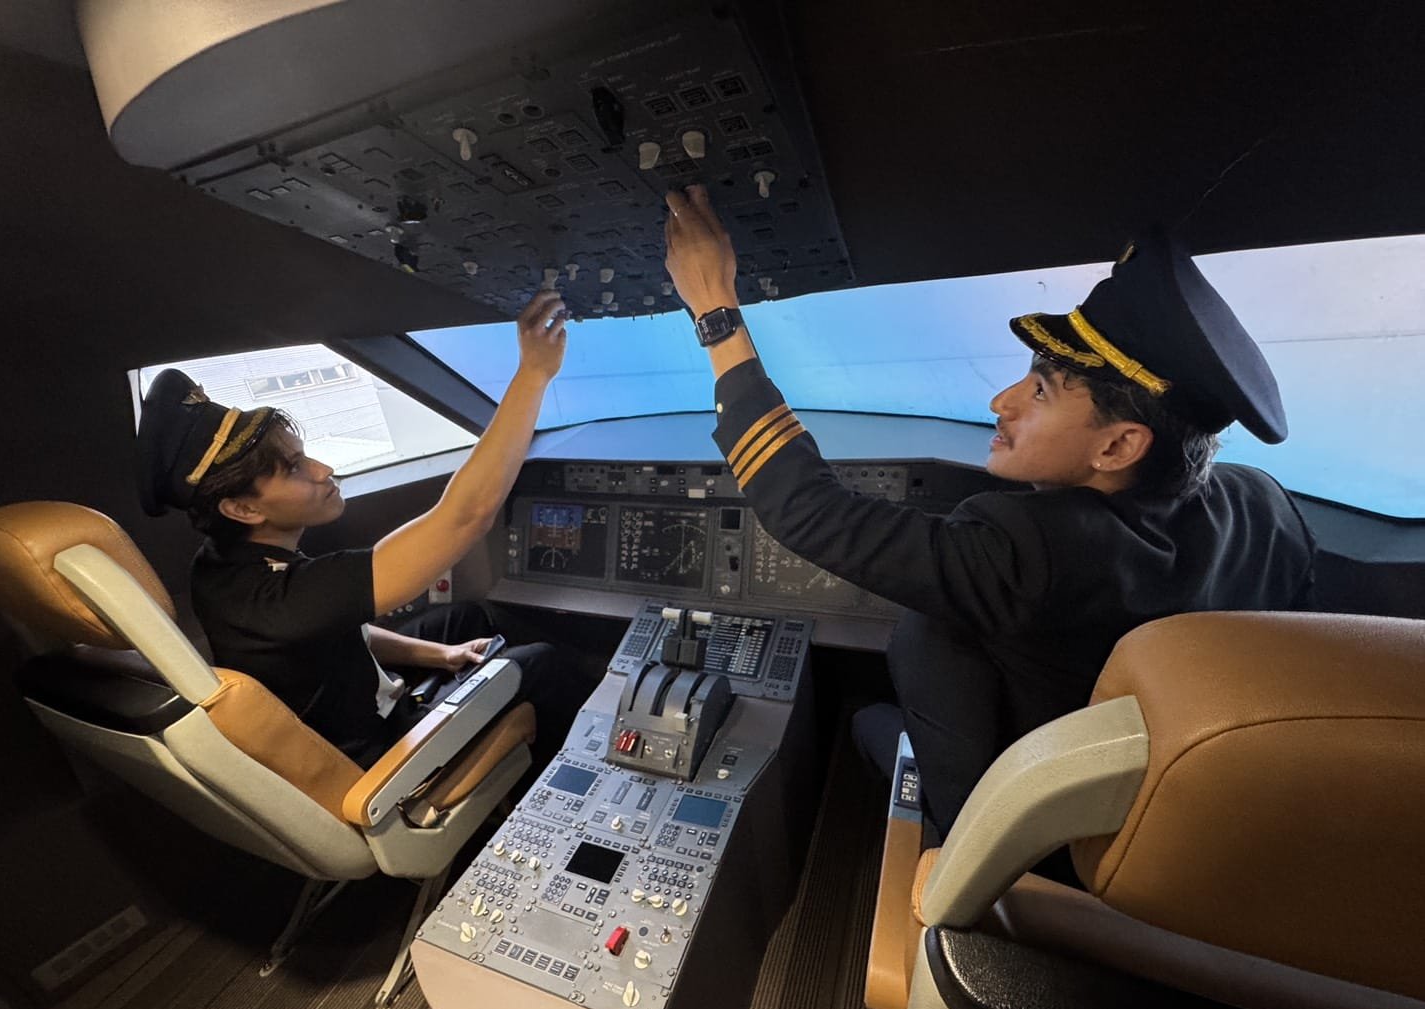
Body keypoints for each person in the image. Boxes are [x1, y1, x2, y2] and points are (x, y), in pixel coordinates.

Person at [662, 185, 1315, 840]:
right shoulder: (1262, 502)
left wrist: (715, 310)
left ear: (1118, 447)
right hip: (1172, 816)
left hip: (1028, 836)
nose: (1001, 401)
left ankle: (940, 828)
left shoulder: (1032, 551)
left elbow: (809, 511)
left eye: (1041, 391)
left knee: (865, 717)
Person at [136, 289, 582, 772]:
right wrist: (534, 374)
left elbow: (338, 629)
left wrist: (443, 656)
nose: (323, 469)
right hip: (379, 752)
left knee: (465, 619)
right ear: (242, 508)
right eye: (293, 468)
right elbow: (466, 515)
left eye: (303, 454)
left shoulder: (220, 563)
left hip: (349, 695)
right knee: (543, 663)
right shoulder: (278, 598)